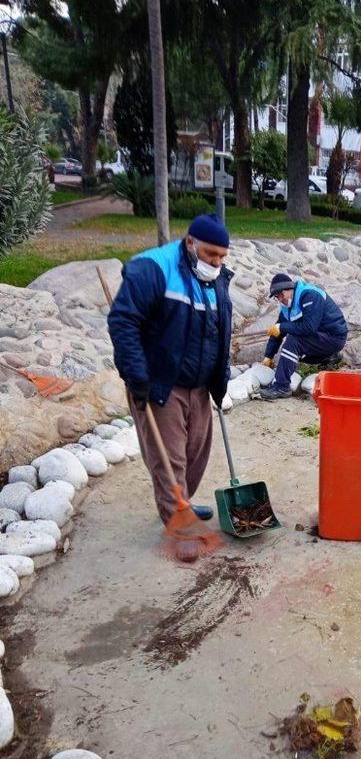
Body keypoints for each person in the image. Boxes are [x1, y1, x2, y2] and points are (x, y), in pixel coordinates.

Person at [108, 214, 232, 556]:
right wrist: (137, 376)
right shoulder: (153, 268)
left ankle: (183, 503)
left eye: (222, 256)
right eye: (211, 254)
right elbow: (123, 321)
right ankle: (178, 524)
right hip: (160, 383)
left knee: (196, 453)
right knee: (170, 458)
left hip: (199, 384)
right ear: (190, 242)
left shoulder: (217, 278)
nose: (217, 263)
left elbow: (219, 330)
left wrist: (219, 379)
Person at [259, 272, 348, 399]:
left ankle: (281, 387)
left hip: (333, 337)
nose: (279, 299)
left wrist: (282, 327)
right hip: (320, 339)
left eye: (280, 294)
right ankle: (329, 358)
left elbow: (309, 328)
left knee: (294, 340)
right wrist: (268, 356)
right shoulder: (287, 306)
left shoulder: (310, 295)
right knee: (292, 353)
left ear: (289, 288)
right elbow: (278, 331)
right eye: (276, 297)